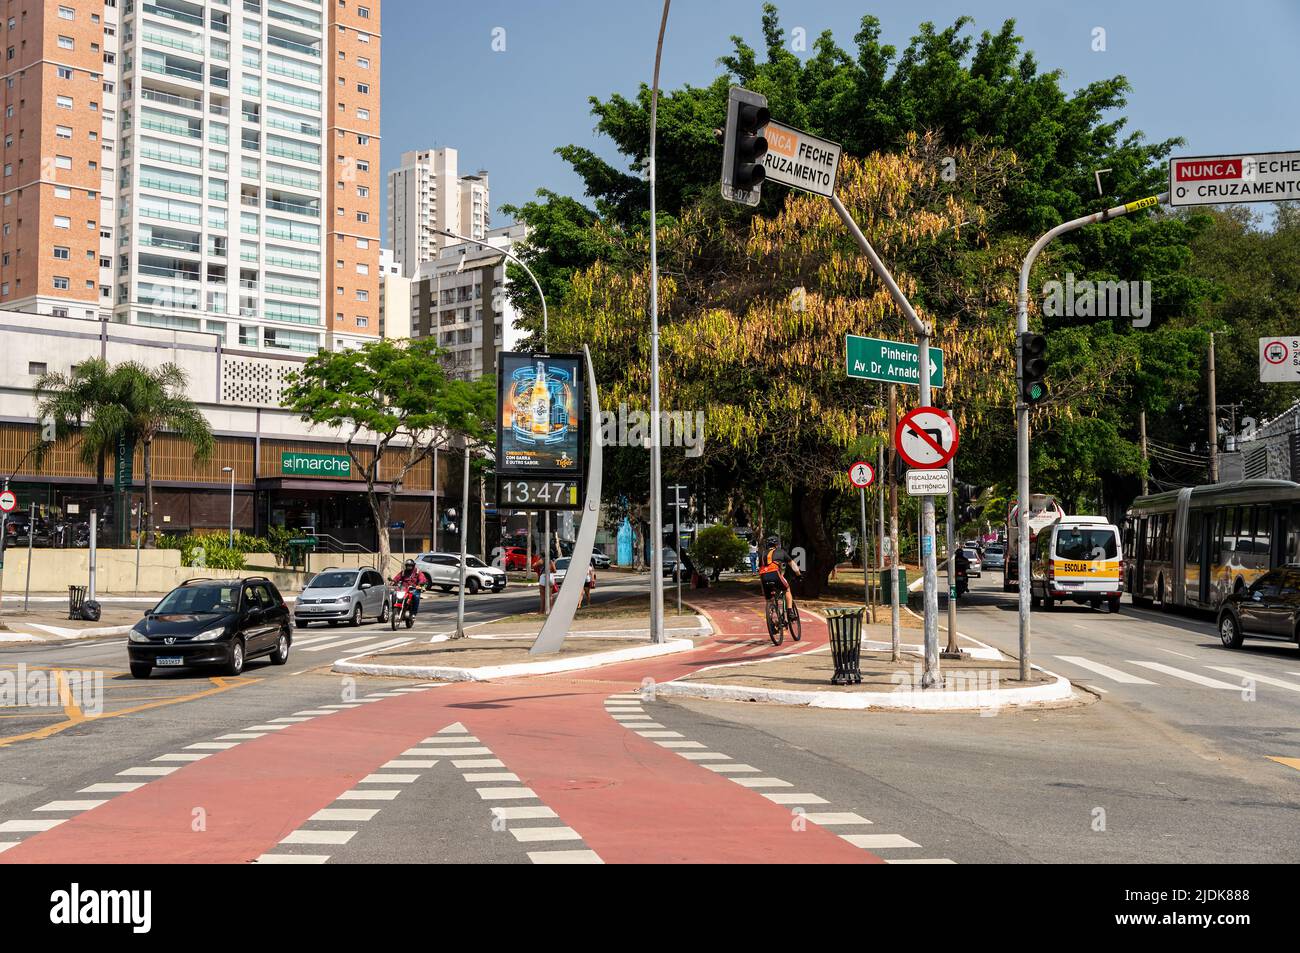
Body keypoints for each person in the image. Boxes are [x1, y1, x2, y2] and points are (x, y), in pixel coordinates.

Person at [758, 535, 801, 620]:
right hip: (775, 574)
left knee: (769, 600)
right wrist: (799, 575)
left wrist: (763, 587)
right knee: (787, 589)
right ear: (777, 545)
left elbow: (760, 569)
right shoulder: (781, 552)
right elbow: (793, 565)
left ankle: (771, 620)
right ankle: (790, 613)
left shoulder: (762, 554)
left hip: (763, 577)